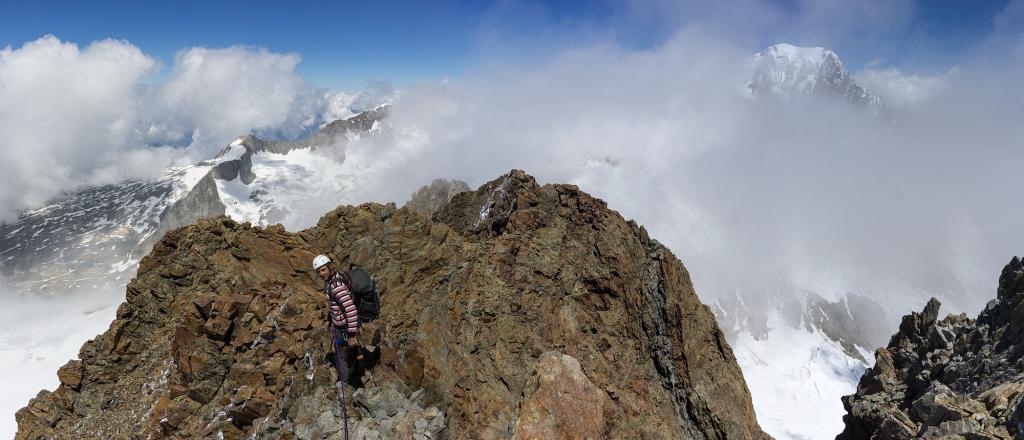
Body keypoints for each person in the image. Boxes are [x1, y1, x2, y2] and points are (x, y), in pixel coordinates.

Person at [314, 254, 360, 349]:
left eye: (323, 270)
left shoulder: (337, 287)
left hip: (345, 328)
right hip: (340, 326)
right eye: (318, 272)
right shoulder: (334, 278)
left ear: (330, 267)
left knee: (344, 354)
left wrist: (352, 335)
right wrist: (331, 320)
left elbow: (351, 310)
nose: (321, 274)